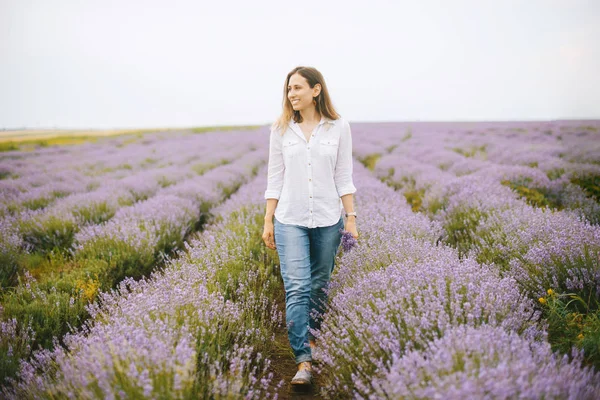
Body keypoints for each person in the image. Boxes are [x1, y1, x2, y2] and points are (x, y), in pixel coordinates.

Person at [262, 66, 359, 386]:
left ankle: (314, 338)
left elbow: (344, 175)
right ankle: (303, 360)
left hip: (328, 219)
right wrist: (268, 220)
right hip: (290, 219)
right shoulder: (280, 129)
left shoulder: (338, 126)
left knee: (318, 285)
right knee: (298, 286)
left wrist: (351, 219)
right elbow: (274, 177)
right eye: (289, 89)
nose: (291, 94)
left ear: (316, 91)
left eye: (298, 88)